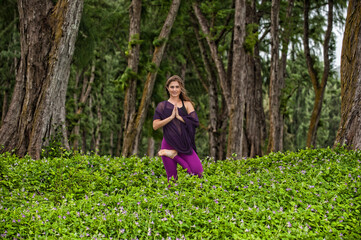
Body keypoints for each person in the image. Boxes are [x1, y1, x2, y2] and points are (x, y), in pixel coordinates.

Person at [153, 75, 203, 181]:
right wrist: (170, 118)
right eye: (172, 87)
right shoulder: (162, 106)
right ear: (167, 88)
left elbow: (195, 122)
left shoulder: (187, 104)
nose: (174, 90)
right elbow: (155, 126)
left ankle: (174, 156)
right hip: (168, 144)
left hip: (184, 143)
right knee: (172, 179)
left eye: (177, 87)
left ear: (181, 88)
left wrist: (180, 117)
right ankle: (171, 154)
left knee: (198, 174)